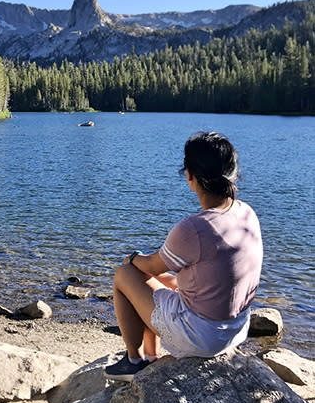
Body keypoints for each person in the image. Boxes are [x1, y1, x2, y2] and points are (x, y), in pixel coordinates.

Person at [104, 131, 263, 382]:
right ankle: (152, 356)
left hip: (202, 336)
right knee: (166, 281)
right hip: (236, 328)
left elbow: (151, 266)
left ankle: (133, 361)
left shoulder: (194, 228)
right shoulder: (247, 214)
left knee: (127, 274)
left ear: (190, 176)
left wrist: (132, 257)